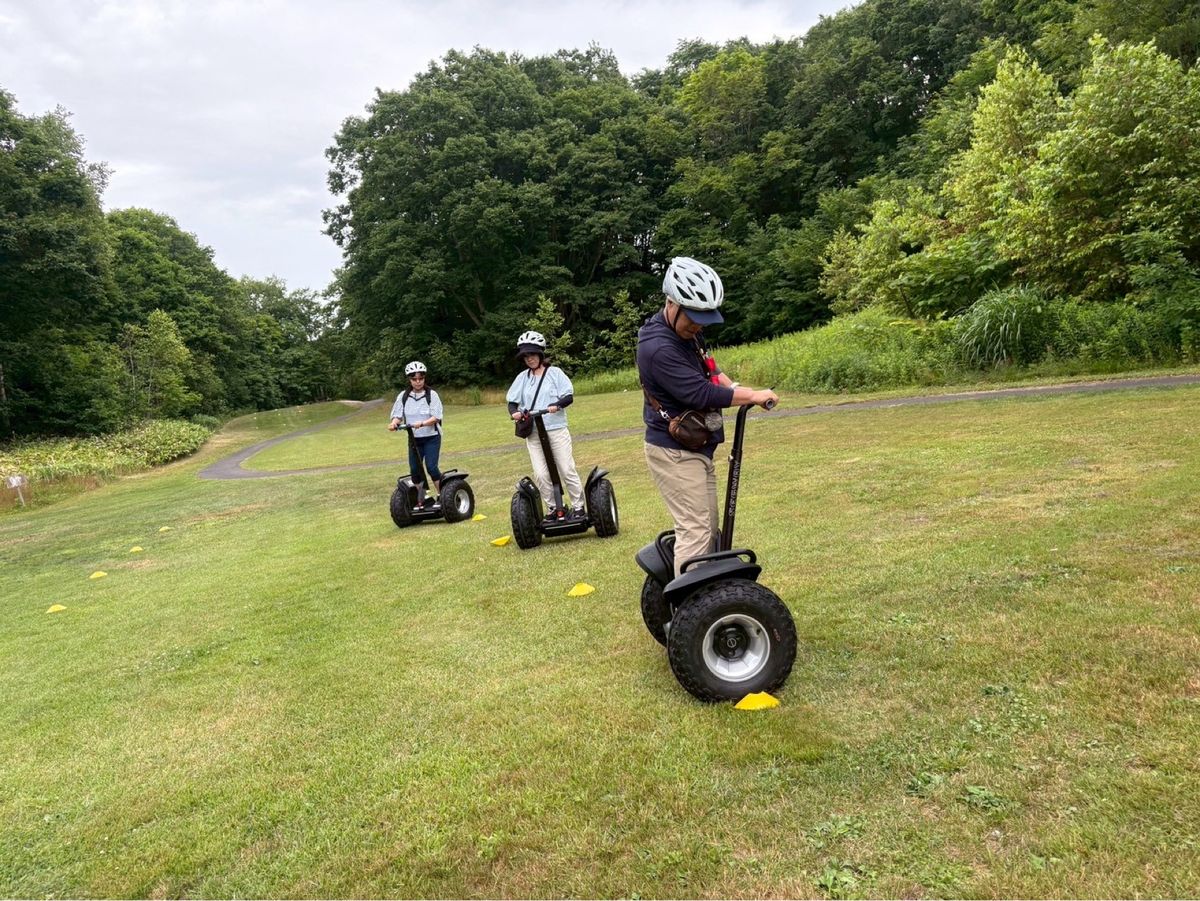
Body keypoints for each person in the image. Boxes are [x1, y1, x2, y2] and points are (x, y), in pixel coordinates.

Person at [637, 257, 779, 577]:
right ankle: (694, 613)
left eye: (704, 318)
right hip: (674, 453)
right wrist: (752, 396)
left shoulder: (687, 334)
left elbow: (711, 369)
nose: (699, 325)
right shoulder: (658, 347)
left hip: (694, 447)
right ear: (671, 303)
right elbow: (701, 393)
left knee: (709, 526)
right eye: (694, 317)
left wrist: (740, 389)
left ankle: (702, 601)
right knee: (696, 530)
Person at [506, 330, 586, 521]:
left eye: (532, 354)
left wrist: (557, 405)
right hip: (533, 431)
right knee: (541, 474)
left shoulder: (555, 373)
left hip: (556, 428)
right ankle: (553, 508)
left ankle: (578, 506)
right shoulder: (522, 378)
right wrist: (514, 413)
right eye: (526, 356)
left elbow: (568, 396)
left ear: (540, 354)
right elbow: (512, 402)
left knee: (566, 468)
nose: (529, 358)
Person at [388, 361, 444, 508]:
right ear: (409, 379)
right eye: (414, 379)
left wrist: (423, 423)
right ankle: (423, 497)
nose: (418, 382)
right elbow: (398, 415)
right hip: (414, 440)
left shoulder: (432, 395)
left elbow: (436, 417)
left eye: (421, 378)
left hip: (431, 437)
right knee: (415, 470)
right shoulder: (404, 396)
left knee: (431, 467)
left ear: (424, 378)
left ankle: (441, 495)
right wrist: (394, 423)